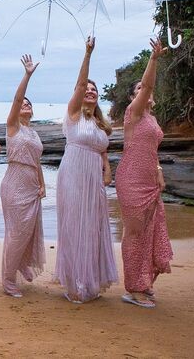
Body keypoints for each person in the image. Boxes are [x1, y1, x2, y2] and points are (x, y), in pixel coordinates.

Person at [55, 36, 117, 303]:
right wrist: (88, 54)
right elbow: (80, 83)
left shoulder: (102, 124)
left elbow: (103, 152)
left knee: (93, 226)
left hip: (94, 178)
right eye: (86, 89)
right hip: (73, 173)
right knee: (74, 225)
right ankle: (74, 283)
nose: (89, 91)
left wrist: (107, 170)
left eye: (94, 90)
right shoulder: (73, 115)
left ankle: (91, 280)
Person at [117, 38, 173, 309]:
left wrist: (159, 171)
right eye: (138, 89)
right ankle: (132, 288)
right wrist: (153, 59)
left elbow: (152, 149)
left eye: (145, 89)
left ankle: (144, 280)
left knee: (151, 232)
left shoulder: (152, 119)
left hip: (150, 180)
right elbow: (149, 83)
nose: (144, 91)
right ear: (133, 97)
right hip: (131, 180)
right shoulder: (134, 113)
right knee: (135, 233)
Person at [0, 54, 46, 298]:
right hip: (14, 182)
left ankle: (20, 263)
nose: (25, 105)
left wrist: (42, 184)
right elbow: (17, 98)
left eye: (30, 104)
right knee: (17, 232)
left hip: (31, 184)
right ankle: (8, 279)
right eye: (23, 104)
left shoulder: (34, 133)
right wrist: (27, 75)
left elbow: (37, 161)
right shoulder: (13, 127)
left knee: (28, 231)